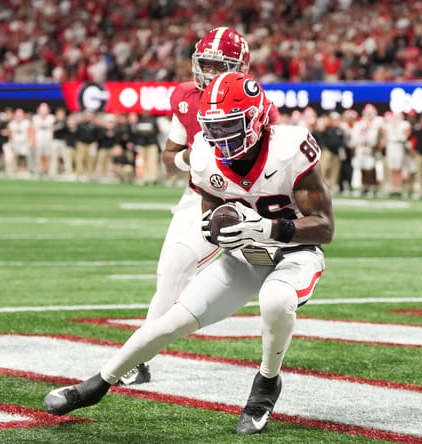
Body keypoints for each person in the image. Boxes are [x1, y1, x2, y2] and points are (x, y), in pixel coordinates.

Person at [44, 72, 334, 436]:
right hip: (245, 255)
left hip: (296, 253)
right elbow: (210, 211)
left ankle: (266, 385)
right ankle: (97, 384)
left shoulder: (291, 146)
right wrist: (217, 228)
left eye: (230, 126)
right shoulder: (204, 156)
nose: (221, 139)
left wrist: (266, 227)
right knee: (170, 321)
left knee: (275, 301)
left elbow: (324, 227)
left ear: (257, 118)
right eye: (213, 128)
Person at [119, 26, 279, 385]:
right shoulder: (187, 98)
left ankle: (137, 358)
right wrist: (191, 159)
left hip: (238, 199)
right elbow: (168, 156)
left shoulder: (258, 104)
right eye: (204, 63)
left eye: (216, 65)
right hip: (198, 194)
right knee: (169, 273)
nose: (208, 72)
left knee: (179, 269)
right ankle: (140, 357)